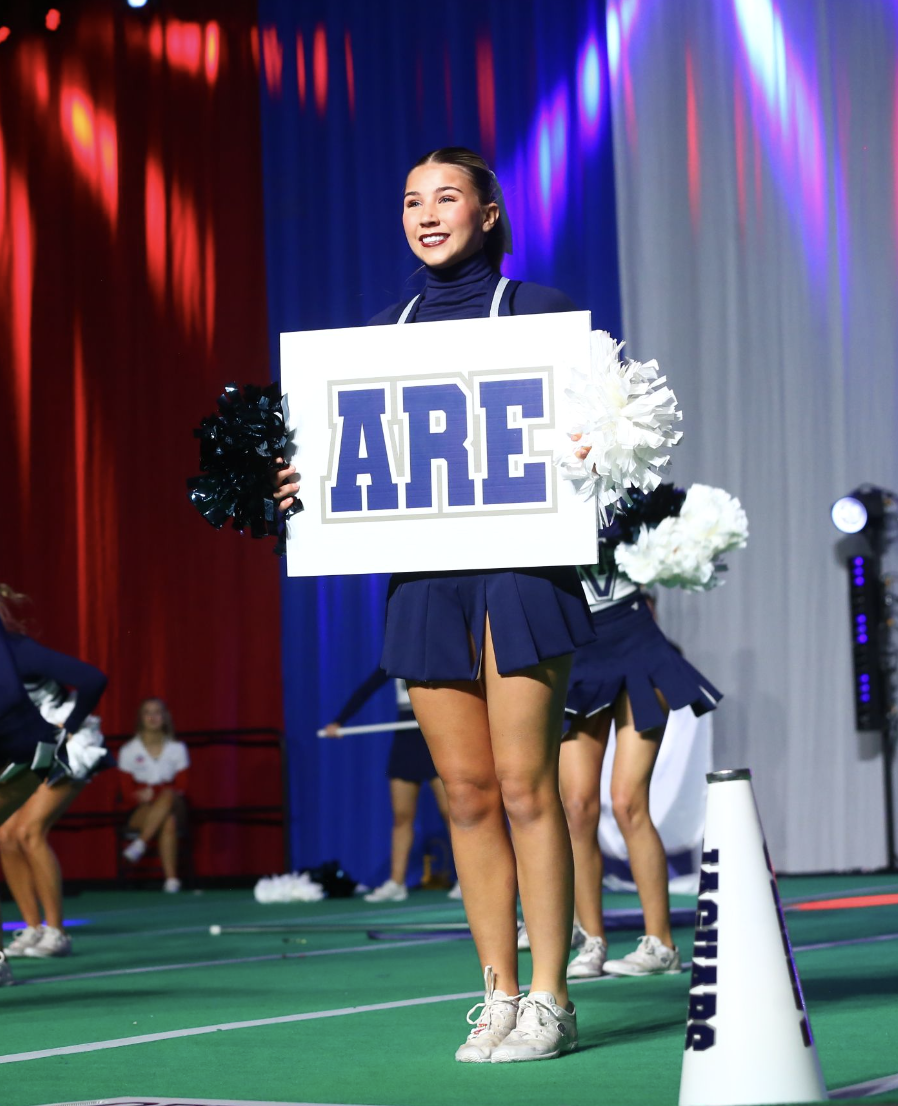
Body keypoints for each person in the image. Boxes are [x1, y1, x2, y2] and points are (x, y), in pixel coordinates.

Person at [274, 147, 596, 1063]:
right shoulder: (377, 335)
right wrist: (304, 483)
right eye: (411, 199)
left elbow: (600, 435)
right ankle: (494, 992)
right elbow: (348, 465)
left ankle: (551, 995)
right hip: (425, 581)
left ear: (488, 213)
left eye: (447, 196)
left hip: (521, 576)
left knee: (530, 787)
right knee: (463, 793)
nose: (426, 212)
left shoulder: (544, 315)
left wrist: (589, 445)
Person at [559, 547, 721, 980]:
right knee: (576, 808)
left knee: (629, 801)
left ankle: (661, 943)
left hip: (636, 644)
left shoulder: (624, 494)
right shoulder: (544, 499)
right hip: (575, 651)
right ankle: (591, 940)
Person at [0, 584, 108, 979]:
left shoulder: (17, 648)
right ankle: (31, 928)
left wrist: (71, 724)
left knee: (28, 831)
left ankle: (57, 932)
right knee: (6, 834)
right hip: (25, 748)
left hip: (64, 744)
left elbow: (92, 678)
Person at [323, 668, 460, 902]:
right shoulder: (395, 657)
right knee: (401, 816)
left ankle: (466, 881)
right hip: (405, 738)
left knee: (453, 814)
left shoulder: (439, 651)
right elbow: (366, 689)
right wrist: (339, 721)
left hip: (436, 731)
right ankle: (396, 883)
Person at [118, 698, 190, 893]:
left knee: (167, 796)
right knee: (168, 821)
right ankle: (172, 881)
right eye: (147, 712)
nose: (153, 717)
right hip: (142, 810)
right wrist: (139, 795)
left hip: (173, 803)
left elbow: (183, 787)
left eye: (157, 712)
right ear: (141, 718)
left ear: (165, 717)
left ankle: (140, 843)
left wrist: (156, 792)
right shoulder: (128, 751)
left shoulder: (178, 749)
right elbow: (126, 792)